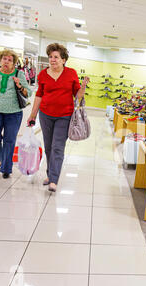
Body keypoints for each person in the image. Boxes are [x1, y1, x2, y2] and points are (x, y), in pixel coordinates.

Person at [27, 43, 89, 192]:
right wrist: (32, 115)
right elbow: (39, 95)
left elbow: (77, 96)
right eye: (50, 57)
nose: (53, 60)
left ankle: (54, 179)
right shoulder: (42, 74)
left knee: (57, 147)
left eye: (56, 57)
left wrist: (83, 86)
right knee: (48, 147)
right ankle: (49, 174)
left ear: (63, 60)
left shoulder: (71, 73)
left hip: (65, 116)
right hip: (46, 115)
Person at [0, 49, 32, 179]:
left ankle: (6, 168)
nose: (6, 62)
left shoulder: (19, 74)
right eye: (4, 59)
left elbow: (29, 92)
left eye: (10, 60)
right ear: (0, 60)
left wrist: (20, 86)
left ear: (14, 63)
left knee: (9, 140)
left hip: (14, 112)